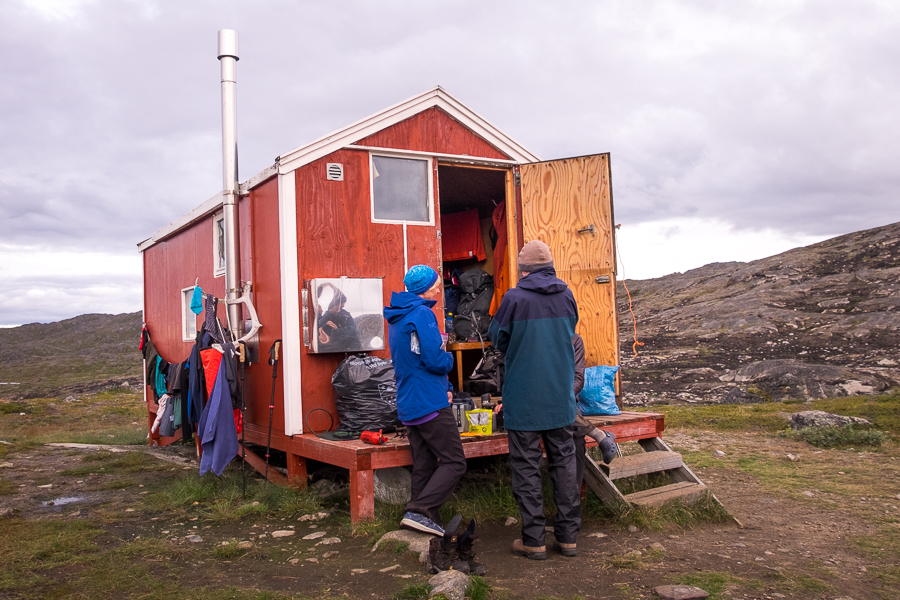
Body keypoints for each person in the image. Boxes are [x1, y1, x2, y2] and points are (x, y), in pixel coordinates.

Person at [487, 240, 580, 560]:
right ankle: (568, 538)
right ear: (550, 266)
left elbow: (496, 337)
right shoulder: (567, 294)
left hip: (524, 398)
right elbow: (571, 330)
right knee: (565, 465)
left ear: (523, 269)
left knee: (526, 469)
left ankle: (534, 541)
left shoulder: (514, 298)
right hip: (560, 396)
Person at [384, 265, 466, 536]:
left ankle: (418, 520)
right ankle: (420, 511)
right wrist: (450, 359)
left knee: (425, 463)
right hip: (429, 402)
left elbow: (414, 359)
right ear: (426, 288)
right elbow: (433, 359)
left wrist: (448, 386)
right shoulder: (422, 314)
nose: (439, 288)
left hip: (409, 401)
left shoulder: (398, 317)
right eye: (436, 284)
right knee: (455, 461)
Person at [571, 333, 617, 489]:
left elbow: (578, 378)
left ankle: (573, 500)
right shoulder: (536, 339)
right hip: (541, 404)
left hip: (566, 402)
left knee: (576, 440)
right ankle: (599, 434)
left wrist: (563, 397)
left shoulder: (574, 339)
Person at [316, 282, 361, 352]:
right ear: (331, 304)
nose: (343, 305)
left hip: (352, 350)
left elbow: (352, 330)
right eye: (339, 302)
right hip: (334, 353)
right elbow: (322, 332)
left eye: (344, 302)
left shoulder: (345, 315)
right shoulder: (325, 317)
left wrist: (336, 330)